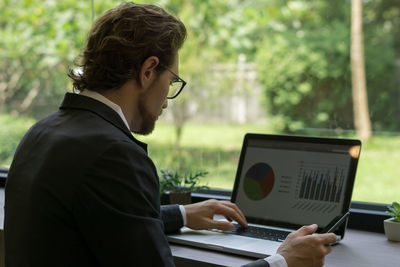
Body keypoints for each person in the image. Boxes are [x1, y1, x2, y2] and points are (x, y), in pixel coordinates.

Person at [4, 2, 336, 267]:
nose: (168, 97)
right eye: (172, 80)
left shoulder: (42, 132)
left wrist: (180, 214)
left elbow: (98, 218)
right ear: (148, 71)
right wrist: (282, 261)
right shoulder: (113, 154)